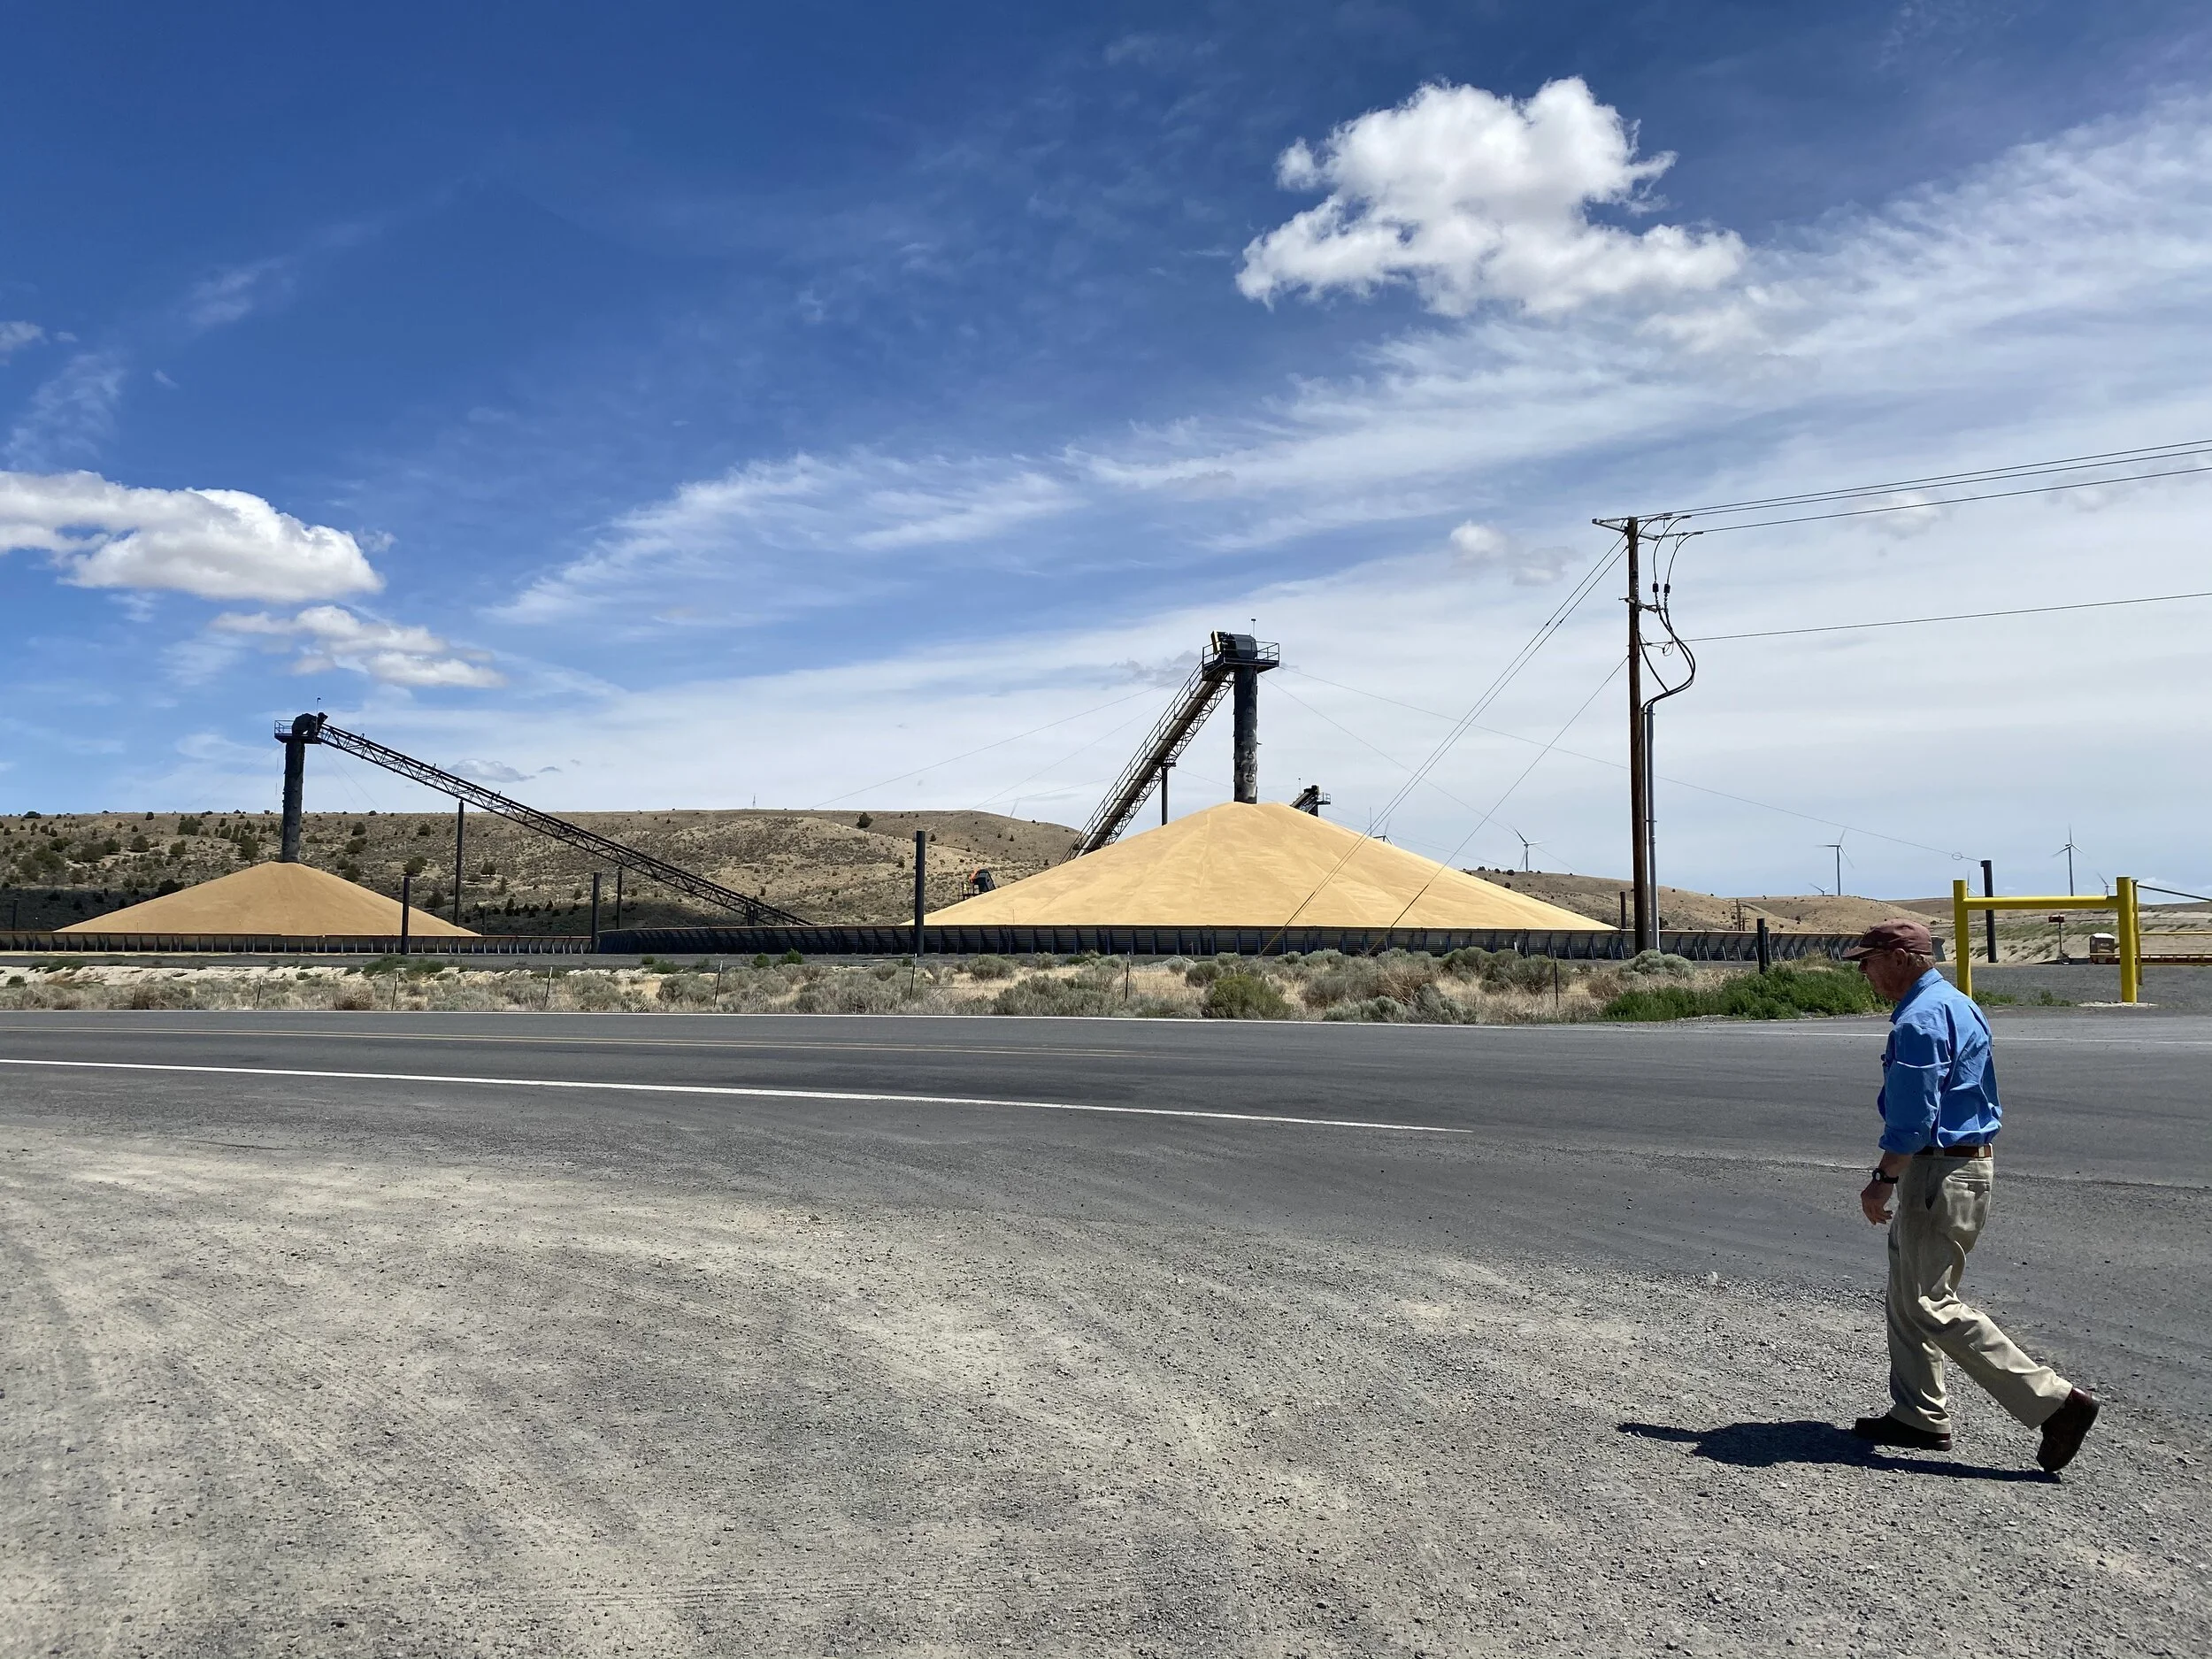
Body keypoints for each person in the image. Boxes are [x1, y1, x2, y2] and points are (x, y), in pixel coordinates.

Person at [1842, 918, 2099, 1471]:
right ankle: (1918, 1414)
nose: (1864, 973)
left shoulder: (1920, 1018)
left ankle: (2056, 1403)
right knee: (1907, 1294)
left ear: (1902, 958)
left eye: (1869, 961)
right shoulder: (1956, 1003)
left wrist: (1883, 1178)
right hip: (1957, 1165)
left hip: (1938, 1169)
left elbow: (1913, 1115)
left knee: (1928, 1301)